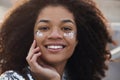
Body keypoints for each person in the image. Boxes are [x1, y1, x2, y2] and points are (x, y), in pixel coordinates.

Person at [0, 0, 113, 80]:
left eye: (66, 28)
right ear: (29, 36)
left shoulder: (81, 77)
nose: (55, 35)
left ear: (78, 39)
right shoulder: (11, 78)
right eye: (44, 28)